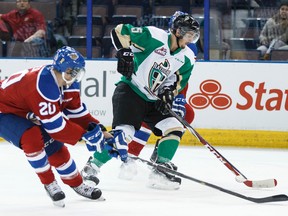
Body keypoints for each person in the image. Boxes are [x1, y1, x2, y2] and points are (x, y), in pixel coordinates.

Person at [81, 11, 200, 190]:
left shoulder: (188, 57)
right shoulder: (154, 36)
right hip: (131, 91)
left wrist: (168, 92)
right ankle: (92, 166)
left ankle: (159, 170)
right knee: (124, 135)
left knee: (174, 127)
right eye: (188, 33)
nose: (190, 38)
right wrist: (125, 52)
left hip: (153, 100)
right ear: (176, 30)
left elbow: (177, 81)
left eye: (193, 35)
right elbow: (120, 30)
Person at [0, 46, 128, 207]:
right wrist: (85, 136)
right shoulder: (43, 85)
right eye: (71, 71)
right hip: (3, 110)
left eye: (77, 71)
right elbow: (56, 128)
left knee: (54, 147)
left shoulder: (69, 83)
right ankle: (49, 182)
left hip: (25, 109)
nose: (74, 75)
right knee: (31, 137)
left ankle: (77, 183)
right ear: (60, 69)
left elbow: (78, 114)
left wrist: (103, 132)